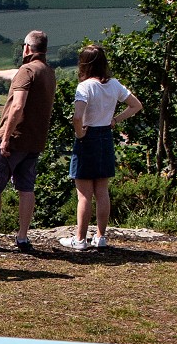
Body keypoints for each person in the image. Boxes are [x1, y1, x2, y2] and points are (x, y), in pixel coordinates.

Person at [0, 30, 57, 252]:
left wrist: (5, 137)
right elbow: (17, 74)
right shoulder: (47, 72)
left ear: (26, 48)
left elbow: (17, 106)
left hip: (13, 138)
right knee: (26, 188)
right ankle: (23, 238)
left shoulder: (27, 71)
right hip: (34, 141)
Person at [60, 44, 143, 251]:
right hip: (105, 135)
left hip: (87, 138)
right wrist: (115, 120)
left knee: (84, 194)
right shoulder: (114, 84)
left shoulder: (85, 87)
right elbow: (136, 105)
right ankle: (101, 237)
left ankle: (79, 240)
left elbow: (77, 117)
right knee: (102, 191)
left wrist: (80, 135)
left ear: (84, 64)